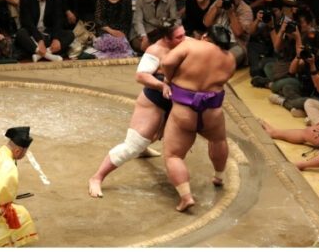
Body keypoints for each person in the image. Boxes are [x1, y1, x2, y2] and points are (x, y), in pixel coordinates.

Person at [89, 22, 187, 198]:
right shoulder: (155, 51)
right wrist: (161, 85)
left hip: (175, 100)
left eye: (184, 34)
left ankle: (144, 149)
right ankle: (97, 178)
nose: (184, 38)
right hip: (154, 100)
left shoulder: (185, 43)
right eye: (179, 36)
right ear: (166, 38)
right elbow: (141, 76)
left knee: (157, 136)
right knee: (132, 146)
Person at [160, 24, 237, 211]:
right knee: (218, 140)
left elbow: (167, 62)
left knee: (173, 155)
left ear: (205, 36)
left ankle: (186, 197)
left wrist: (168, 80)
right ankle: (219, 176)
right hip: (212, 111)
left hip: (184, 110)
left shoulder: (191, 45)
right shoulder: (230, 58)